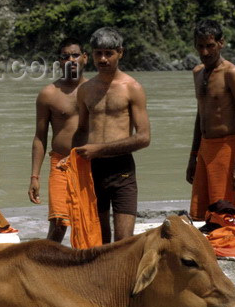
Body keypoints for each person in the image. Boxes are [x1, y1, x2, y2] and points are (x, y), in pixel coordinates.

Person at [72, 27, 151, 243]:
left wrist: (99, 149)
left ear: (120, 53)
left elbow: (144, 137)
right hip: (93, 169)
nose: (103, 59)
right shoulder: (85, 89)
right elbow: (81, 131)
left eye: (109, 53)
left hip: (122, 169)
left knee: (124, 241)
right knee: (99, 238)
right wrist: (70, 161)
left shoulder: (132, 88)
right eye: (98, 53)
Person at [186, 19, 235, 220]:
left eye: (210, 46)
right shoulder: (197, 73)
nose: (205, 52)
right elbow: (201, 115)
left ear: (221, 43)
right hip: (205, 149)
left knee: (232, 213)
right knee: (203, 213)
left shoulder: (231, 72)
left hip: (227, 148)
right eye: (200, 46)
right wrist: (192, 157)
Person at [28, 37, 88, 242]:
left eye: (75, 55)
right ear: (59, 62)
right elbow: (40, 137)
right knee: (59, 224)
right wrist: (34, 176)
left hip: (90, 163)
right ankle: (45, 267)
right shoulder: (49, 94)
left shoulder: (96, 91)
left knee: (88, 223)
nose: (71, 59)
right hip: (60, 163)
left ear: (85, 58)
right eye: (65, 56)